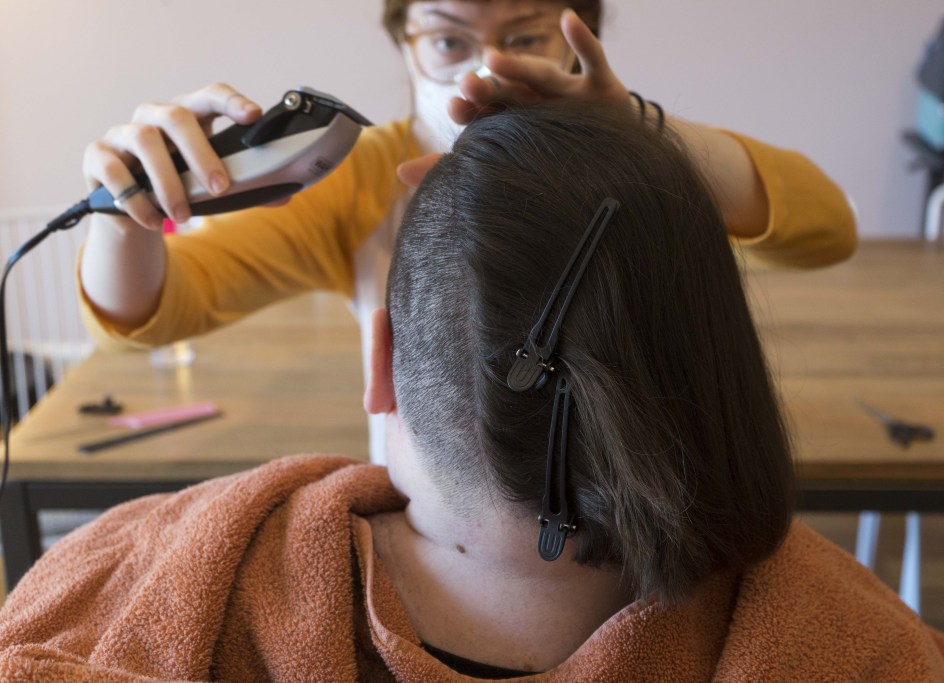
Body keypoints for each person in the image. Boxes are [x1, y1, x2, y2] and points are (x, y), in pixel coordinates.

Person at [0, 103, 944, 681]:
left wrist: (121, 208)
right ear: (715, 369)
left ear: (378, 364)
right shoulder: (856, 647)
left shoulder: (120, 601)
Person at [76, 0, 857, 465]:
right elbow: (156, 308)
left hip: (645, 521)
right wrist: (123, 206)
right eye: (449, 39)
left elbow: (823, 228)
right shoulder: (357, 178)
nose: (484, 67)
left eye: (525, 36)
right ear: (403, 39)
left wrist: (637, 133)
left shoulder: (637, 162)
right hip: (440, 523)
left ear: (580, 32)